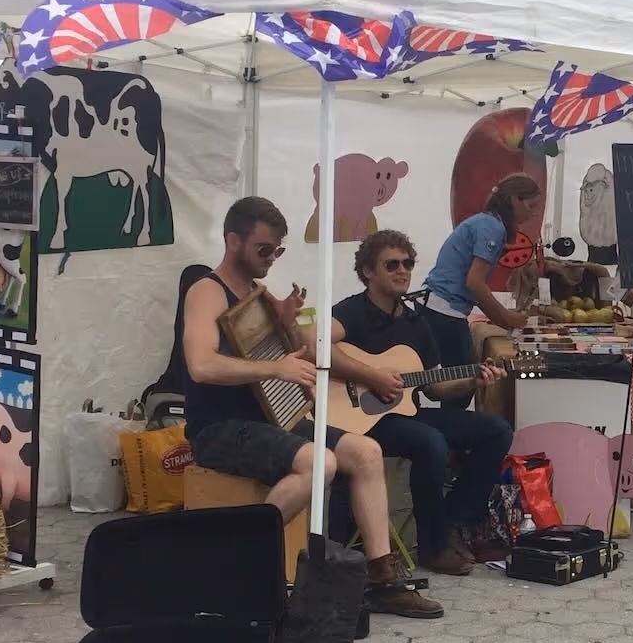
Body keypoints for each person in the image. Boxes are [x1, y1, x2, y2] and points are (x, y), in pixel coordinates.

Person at [181, 196, 441, 619]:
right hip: (220, 427)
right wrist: (276, 367)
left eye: (278, 250)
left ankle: (382, 578)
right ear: (233, 241)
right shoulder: (206, 292)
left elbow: (307, 344)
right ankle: (239, 558)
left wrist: (285, 322)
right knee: (321, 463)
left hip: (268, 420)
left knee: (365, 452)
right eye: (264, 249)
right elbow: (201, 365)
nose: (272, 258)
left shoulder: (258, 293)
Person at [333, 229, 512, 576]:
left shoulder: (417, 321)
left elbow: (434, 388)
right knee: (430, 441)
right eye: (392, 264)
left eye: (408, 263)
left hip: (403, 413)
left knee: (496, 430)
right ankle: (433, 547)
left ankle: (451, 520)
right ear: (368, 271)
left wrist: (472, 379)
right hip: (359, 421)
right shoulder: (352, 311)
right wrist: (371, 377)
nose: (403, 271)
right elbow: (316, 345)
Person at [422, 175, 549, 374]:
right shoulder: (492, 228)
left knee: (459, 380)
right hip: (445, 311)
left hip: (439, 307)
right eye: (531, 205)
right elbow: (474, 282)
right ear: (515, 200)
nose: (533, 213)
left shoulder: (486, 222)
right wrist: (506, 317)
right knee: (464, 380)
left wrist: (503, 318)